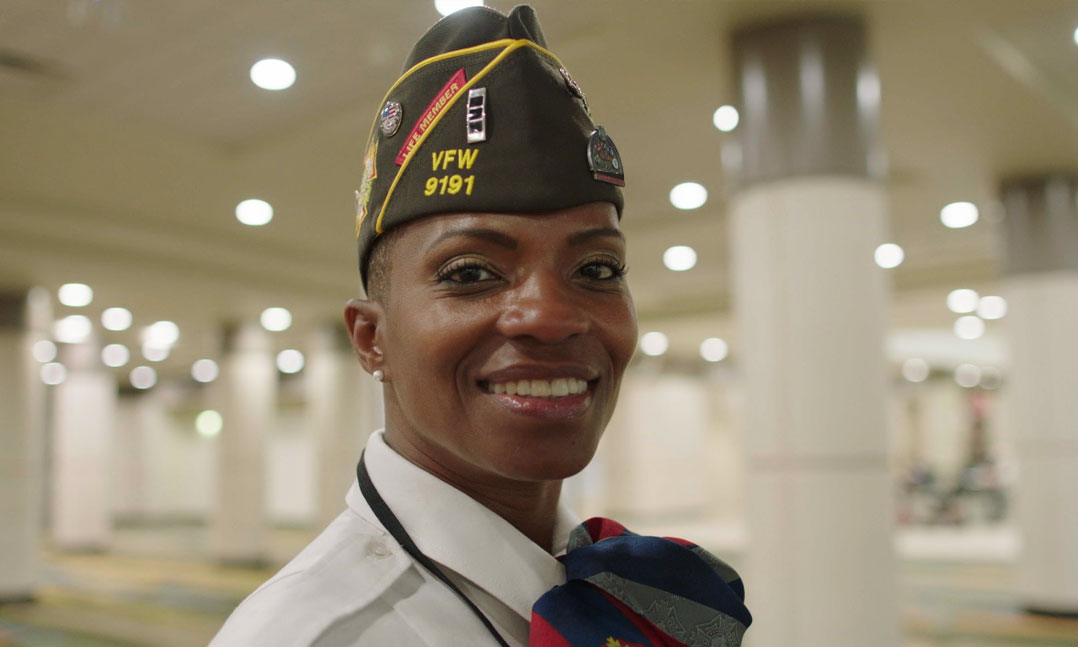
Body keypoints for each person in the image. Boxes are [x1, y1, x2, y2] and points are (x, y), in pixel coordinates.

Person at [211, 6, 750, 646]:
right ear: (370, 339)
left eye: (598, 269)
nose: (551, 317)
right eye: (470, 274)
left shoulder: (626, 590)